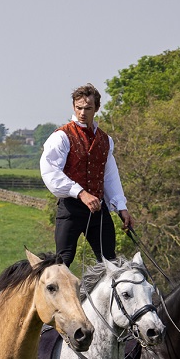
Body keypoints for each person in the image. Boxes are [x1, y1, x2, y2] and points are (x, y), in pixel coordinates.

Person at [40, 83, 136, 267]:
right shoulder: (61, 136)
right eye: (79, 108)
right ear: (73, 107)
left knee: (110, 263)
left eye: (88, 108)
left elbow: (109, 176)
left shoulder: (105, 140)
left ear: (97, 109)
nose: (82, 113)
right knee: (62, 263)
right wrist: (81, 193)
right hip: (70, 208)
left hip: (98, 209)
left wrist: (121, 207)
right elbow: (50, 171)